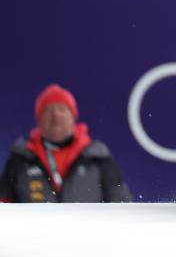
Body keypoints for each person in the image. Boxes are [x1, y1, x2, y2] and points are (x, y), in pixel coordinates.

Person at [0, 84, 131, 202]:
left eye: (62, 109)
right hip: (34, 229)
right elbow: (4, 205)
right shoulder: (21, 159)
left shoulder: (96, 157)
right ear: (39, 119)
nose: (55, 115)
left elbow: (121, 204)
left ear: (73, 117)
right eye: (48, 110)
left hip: (88, 229)